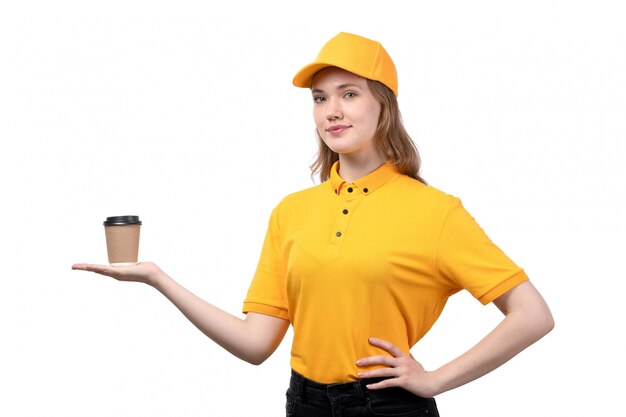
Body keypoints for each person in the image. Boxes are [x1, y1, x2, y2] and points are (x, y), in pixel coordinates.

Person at [73, 32, 554, 417]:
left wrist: (433, 380)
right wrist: (157, 278)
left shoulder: (436, 212)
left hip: (385, 407)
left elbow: (532, 315)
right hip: (303, 403)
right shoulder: (293, 211)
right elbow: (256, 343)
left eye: (350, 94)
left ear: (383, 105)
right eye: (320, 98)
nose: (332, 111)